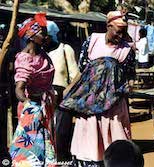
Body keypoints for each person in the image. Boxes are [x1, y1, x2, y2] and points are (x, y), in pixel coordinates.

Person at [61, 10, 135, 166]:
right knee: (90, 141)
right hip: (90, 103)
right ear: (108, 26)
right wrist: (69, 90)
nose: (121, 36)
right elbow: (82, 71)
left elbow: (130, 77)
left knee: (115, 142)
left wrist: (127, 88)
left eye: (124, 33)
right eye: (118, 32)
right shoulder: (92, 41)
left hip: (113, 106)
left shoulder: (127, 50)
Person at [9, 13, 56, 166]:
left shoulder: (43, 54)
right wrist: (31, 106)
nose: (47, 36)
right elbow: (19, 89)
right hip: (33, 110)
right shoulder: (25, 59)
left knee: (45, 146)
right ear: (31, 35)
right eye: (43, 33)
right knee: (31, 152)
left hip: (45, 106)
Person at [45, 20, 79, 162]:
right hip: (44, 101)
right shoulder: (38, 52)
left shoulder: (65, 49)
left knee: (60, 136)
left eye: (45, 34)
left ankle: (63, 161)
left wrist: (65, 92)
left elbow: (77, 75)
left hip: (62, 101)